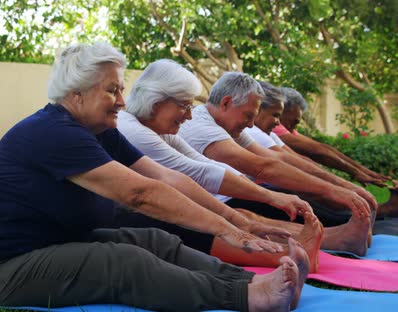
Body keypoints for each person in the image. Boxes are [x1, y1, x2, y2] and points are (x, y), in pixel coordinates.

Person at [0, 43, 307, 312]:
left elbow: (165, 177)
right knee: (122, 263)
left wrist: (236, 219)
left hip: (52, 245)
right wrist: (226, 228)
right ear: (76, 94)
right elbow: (140, 194)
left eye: (120, 90)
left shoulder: (99, 130)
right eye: (112, 90)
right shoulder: (51, 132)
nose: (122, 102)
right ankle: (247, 297)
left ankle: (250, 280)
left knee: (153, 240)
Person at [117, 59, 376, 268]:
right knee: (197, 219)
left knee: (241, 214)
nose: (188, 114)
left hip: (191, 197)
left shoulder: (157, 128)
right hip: (134, 218)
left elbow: (203, 166)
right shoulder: (135, 128)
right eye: (184, 106)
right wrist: (269, 199)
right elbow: (199, 173)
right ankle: (283, 259)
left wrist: (255, 207)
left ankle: (321, 243)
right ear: (157, 100)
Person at [178, 72, 374, 256]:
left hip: (219, 197)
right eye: (248, 116)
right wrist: (333, 189)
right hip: (207, 204)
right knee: (242, 214)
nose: (250, 124)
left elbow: (277, 160)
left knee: (254, 207)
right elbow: (262, 167)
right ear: (226, 103)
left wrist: (340, 186)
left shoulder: (221, 123)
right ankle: (338, 239)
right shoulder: (199, 126)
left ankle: (339, 236)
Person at [275, 87, 398, 218]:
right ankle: (375, 212)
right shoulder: (274, 127)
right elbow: (317, 152)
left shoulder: (279, 128)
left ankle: (371, 212)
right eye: (293, 121)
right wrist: (354, 175)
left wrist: (362, 171)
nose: (293, 127)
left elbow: (322, 148)